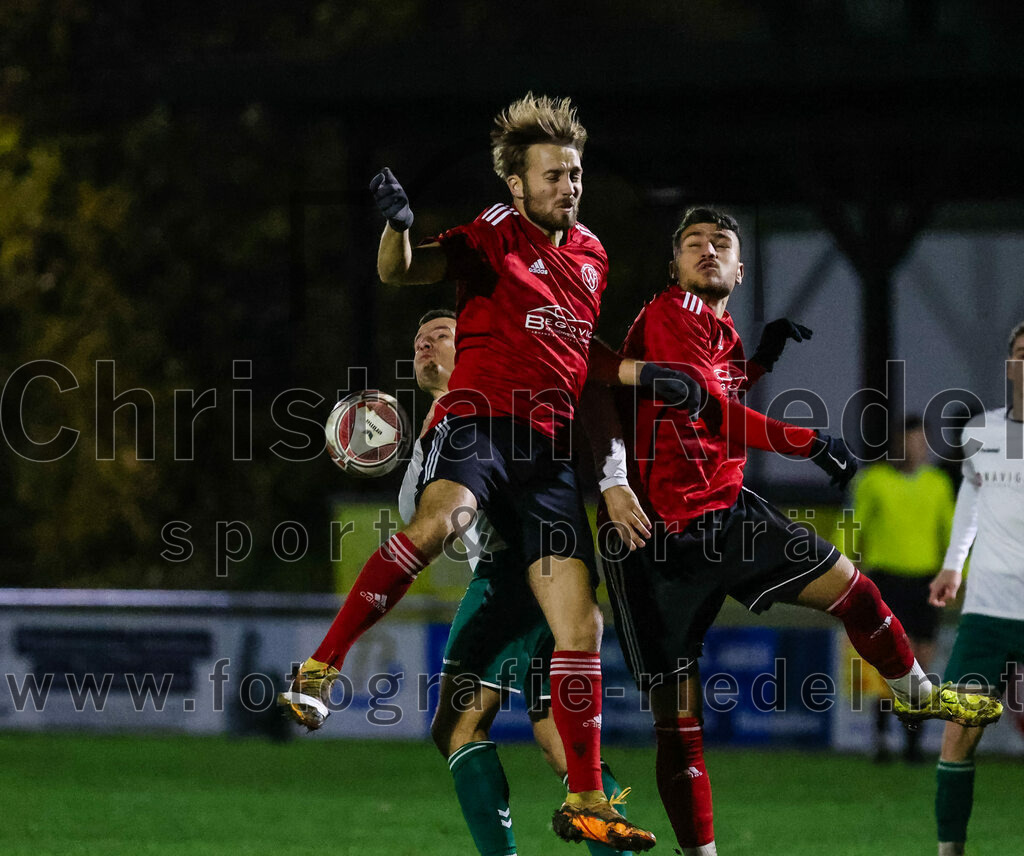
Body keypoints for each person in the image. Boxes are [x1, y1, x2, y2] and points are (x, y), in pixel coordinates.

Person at [277, 93, 699, 850]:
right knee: (442, 522)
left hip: (549, 458)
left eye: (575, 173)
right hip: (483, 426)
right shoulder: (494, 232)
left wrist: (616, 455)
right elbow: (405, 271)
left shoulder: (593, 256)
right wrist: (397, 228)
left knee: (582, 623)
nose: (568, 185)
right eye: (553, 175)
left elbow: (583, 365)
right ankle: (321, 666)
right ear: (517, 183)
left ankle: (588, 798)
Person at [585, 206, 1003, 856]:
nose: (707, 250)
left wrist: (759, 362)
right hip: (654, 537)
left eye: (721, 243)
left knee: (855, 592)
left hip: (726, 514)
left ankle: (916, 694)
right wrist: (804, 441)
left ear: (739, 271)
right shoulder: (670, 315)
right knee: (679, 725)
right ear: (673, 266)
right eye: (693, 243)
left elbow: (717, 393)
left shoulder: (716, 329)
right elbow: (717, 415)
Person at [401, 309, 638, 856]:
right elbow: (431, 521)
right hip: (535, 572)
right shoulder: (440, 424)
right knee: (559, 743)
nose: (425, 344)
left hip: (515, 574)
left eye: (441, 335)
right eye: (418, 340)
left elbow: (450, 520)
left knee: (458, 727)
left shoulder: (485, 412)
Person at [930, 321, 1024, 856]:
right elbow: (972, 490)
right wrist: (953, 565)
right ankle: (950, 851)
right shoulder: (982, 432)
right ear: (1010, 364)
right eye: (1020, 352)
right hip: (986, 612)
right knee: (958, 730)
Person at [851, 415, 955, 762]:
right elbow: (852, 525)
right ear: (897, 443)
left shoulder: (938, 484)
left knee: (922, 662)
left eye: (921, 441)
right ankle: (881, 738)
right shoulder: (873, 480)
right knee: (891, 660)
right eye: (910, 441)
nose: (916, 448)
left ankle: (913, 742)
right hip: (886, 580)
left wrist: (959, 574)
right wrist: (843, 569)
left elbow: (951, 533)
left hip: (925, 581)